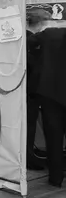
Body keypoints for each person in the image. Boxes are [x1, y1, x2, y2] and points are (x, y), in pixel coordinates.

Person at [28, 11, 66, 187]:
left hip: (50, 94)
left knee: (53, 138)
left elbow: (28, 42)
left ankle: (55, 178)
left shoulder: (48, 34)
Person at [25, 9, 50, 171]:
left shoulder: (27, 39)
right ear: (41, 22)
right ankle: (28, 157)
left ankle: (30, 152)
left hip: (29, 90)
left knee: (30, 125)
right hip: (30, 91)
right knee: (29, 125)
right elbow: (33, 67)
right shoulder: (31, 41)